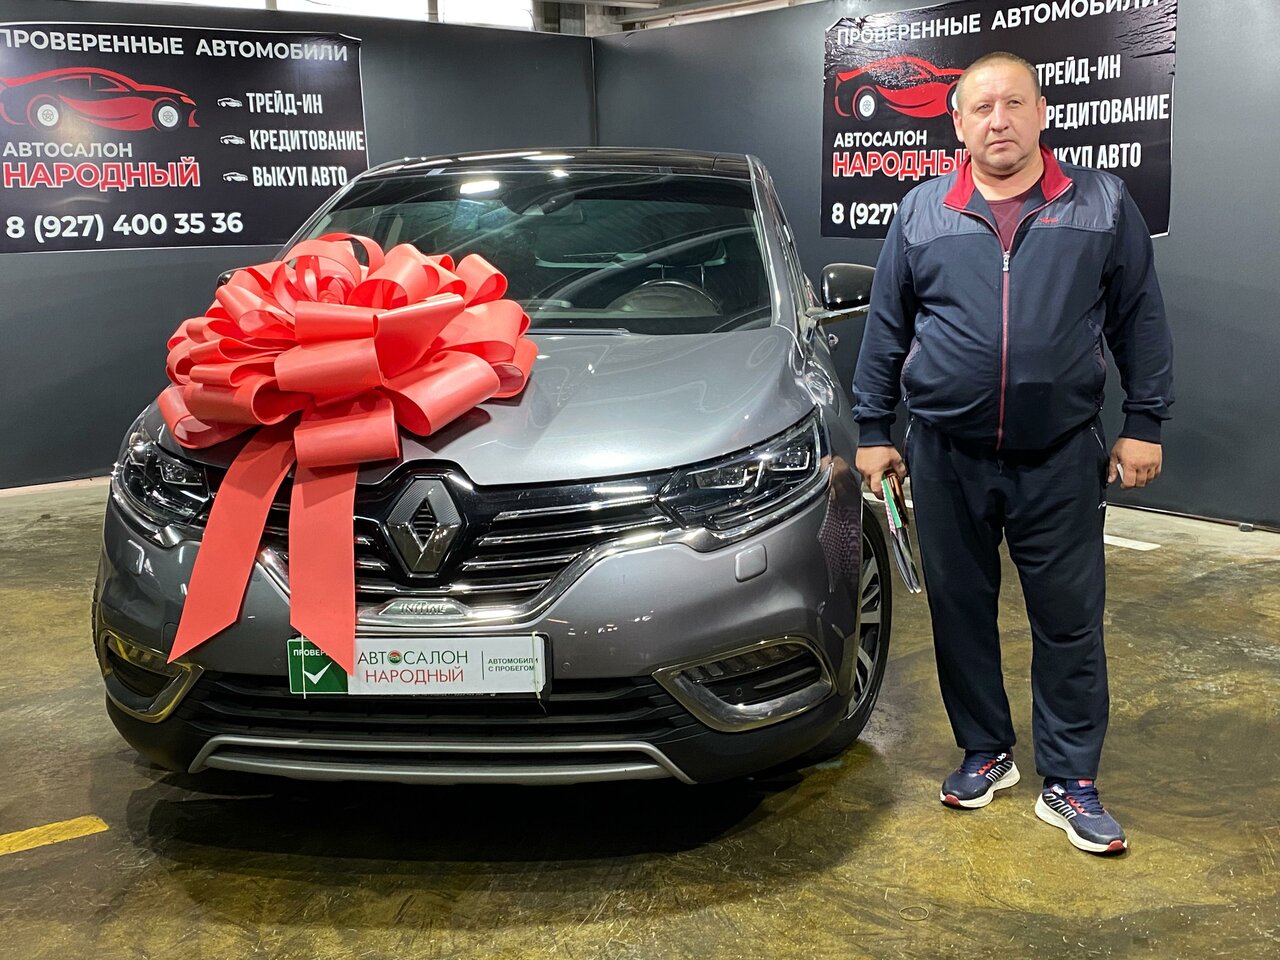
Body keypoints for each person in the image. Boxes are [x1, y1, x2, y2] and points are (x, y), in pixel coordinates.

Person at [852, 51, 1173, 856]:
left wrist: (1145, 421)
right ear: (957, 123)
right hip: (945, 453)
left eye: (1014, 104)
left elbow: (1139, 318)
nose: (999, 121)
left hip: (1059, 453)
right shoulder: (922, 212)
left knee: (1069, 620)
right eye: (982, 108)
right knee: (960, 611)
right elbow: (887, 326)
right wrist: (872, 430)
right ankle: (985, 750)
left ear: (1041, 113)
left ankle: (1070, 779)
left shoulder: (1100, 204)